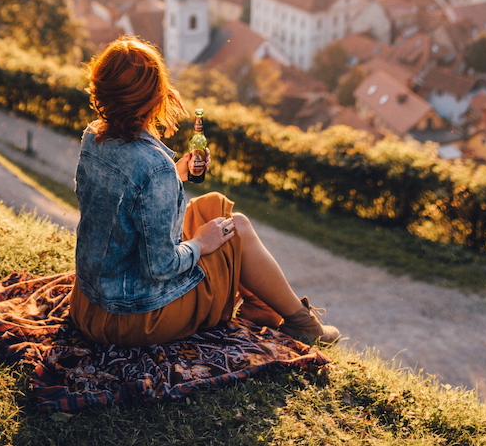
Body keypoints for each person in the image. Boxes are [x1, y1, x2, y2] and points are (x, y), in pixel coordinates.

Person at [69, 36, 340, 348]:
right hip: (134, 319)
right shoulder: (154, 168)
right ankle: (301, 323)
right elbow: (161, 267)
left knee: (215, 206)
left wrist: (176, 173)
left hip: (90, 305)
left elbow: (120, 204)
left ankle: (265, 310)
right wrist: (200, 244)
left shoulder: (93, 136)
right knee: (234, 230)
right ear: (155, 96)